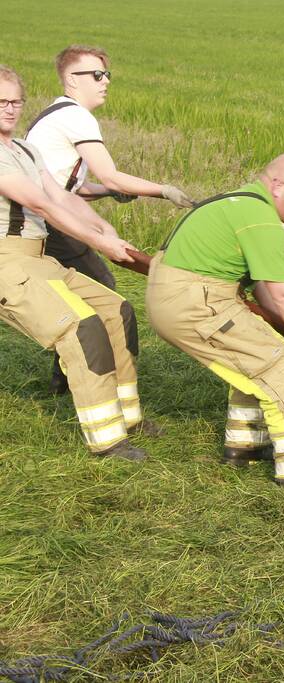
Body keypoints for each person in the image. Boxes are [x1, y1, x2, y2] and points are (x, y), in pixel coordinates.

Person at [146, 153, 284, 487]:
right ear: (278, 186)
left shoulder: (242, 201)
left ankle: (245, 446)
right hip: (199, 301)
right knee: (280, 366)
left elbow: (266, 291)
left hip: (186, 296)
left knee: (257, 358)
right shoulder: (260, 217)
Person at [0, 65, 150, 461]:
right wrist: (99, 244)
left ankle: (129, 416)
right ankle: (107, 440)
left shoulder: (25, 150)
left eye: (15, 101)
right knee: (81, 328)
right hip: (6, 263)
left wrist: (107, 233)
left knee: (117, 311)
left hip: (38, 256)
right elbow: (40, 204)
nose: (10, 109)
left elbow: (64, 197)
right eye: (1, 102)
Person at [26, 45, 193, 394]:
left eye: (107, 75)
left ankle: (66, 377)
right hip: (47, 221)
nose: (106, 82)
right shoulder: (76, 116)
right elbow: (111, 174)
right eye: (97, 75)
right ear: (72, 79)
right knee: (103, 295)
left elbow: (70, 186)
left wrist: (104, 193)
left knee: (79, 293)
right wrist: (163, 190)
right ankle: (95, 380)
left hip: (43, 216)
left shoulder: (54, 114)